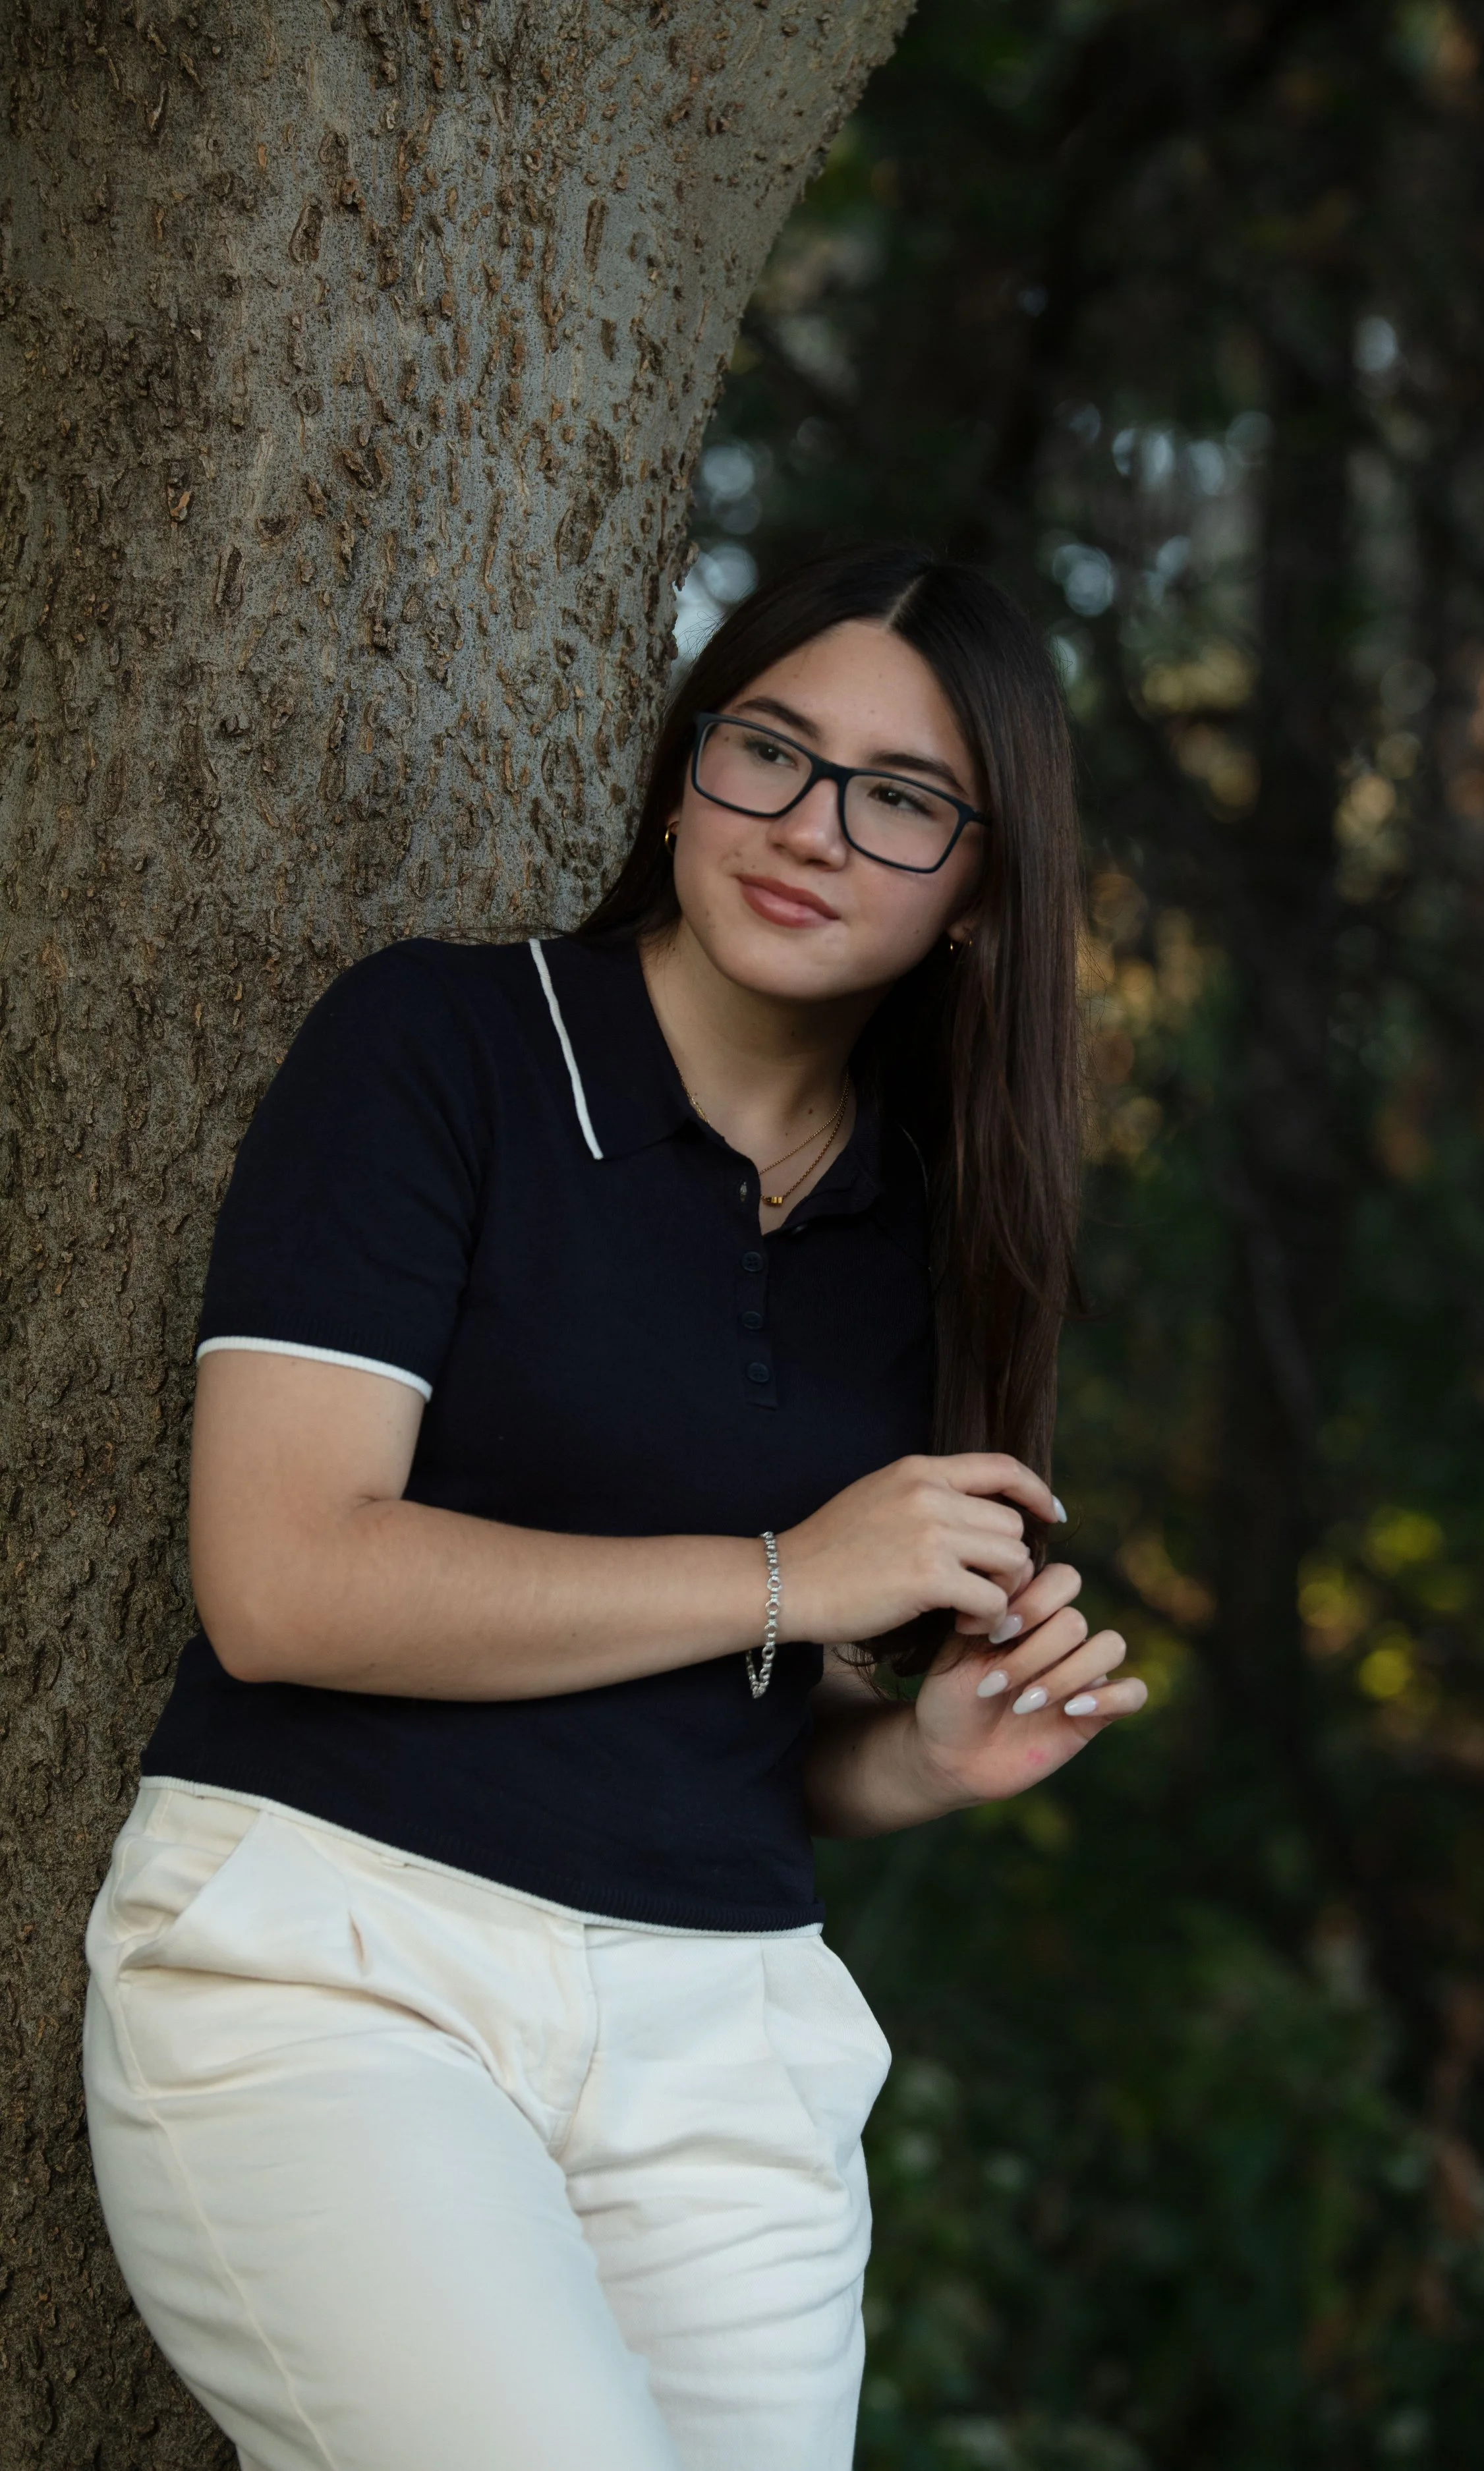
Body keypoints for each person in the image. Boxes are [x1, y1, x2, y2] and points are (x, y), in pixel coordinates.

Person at [81, 543, 1147, 2471]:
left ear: (983, 890)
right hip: (345, 1967)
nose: (811, 826)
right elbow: (284, 1579)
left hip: (723, 2033)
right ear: (685, 770)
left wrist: (910, 1759)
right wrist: (792, 1573)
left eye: (903, 798)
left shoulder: (937, 1225)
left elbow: (721, 1711)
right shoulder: (445, 1048)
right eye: (771, 749)